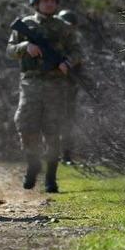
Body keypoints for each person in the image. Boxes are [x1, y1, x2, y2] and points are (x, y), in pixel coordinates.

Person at [6, 0, 82, 193]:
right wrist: (25, 47)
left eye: (52, 0)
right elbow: (10, 50)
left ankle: (51, 177)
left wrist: (68, 63)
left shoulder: (64, 28)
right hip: (30, 82)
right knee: (25, 123)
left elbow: (77, 51)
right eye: (44, 0)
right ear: (36, 3)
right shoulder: (26, 25)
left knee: (52, 130)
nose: (49, 4)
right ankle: (33, 162)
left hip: (56, 84)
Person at [57, 9, 82, 165]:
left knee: (68, 122)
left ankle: (66, 155)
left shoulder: (74, 45)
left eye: (71, 26)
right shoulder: (54, 43)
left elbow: (78, 61)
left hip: (69, 89)